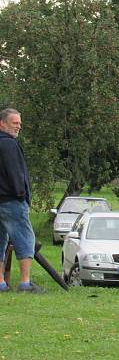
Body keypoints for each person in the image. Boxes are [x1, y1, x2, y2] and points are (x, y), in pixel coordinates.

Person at [0, 108, 41, 294]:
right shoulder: (9, 144)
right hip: (11, 200)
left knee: (0, 241)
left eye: (20, 124)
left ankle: (1, 283)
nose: (18, 127)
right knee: (25, 238)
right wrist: (21, 194)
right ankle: (25, 283)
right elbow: (16, 173)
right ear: (2, 123)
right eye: (15, 123)